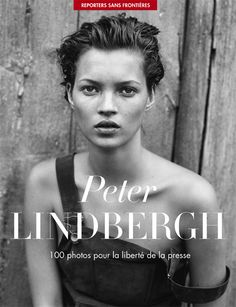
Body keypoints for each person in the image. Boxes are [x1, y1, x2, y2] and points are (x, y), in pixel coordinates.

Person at [25, 14, 230, 307]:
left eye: (127, 90)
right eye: (90, 88)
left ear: (150, 96)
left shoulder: (194, 199)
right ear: (70, 94)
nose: (107, 107)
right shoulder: (46, 184)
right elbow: (47, 302)